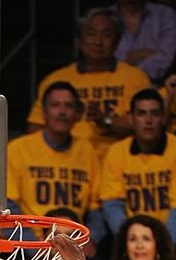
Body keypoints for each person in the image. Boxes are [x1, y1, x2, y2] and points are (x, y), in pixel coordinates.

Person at [26, 9, 150, 160]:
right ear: (79, 41)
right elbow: (35, 127)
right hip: (69, 161)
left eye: (106, 35)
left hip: (119, 161)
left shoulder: (135, 77)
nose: (98, 42)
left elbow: (145, 124)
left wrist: (105, 121)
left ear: (117, 42)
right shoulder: (55, 79)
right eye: (91, 34)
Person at [7, 82, 105, 247]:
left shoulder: (87, 150)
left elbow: (96, 209)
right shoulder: (17, 149)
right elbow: (9, 208)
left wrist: (90, 240)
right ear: (44, 113)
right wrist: (34, 249)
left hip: (76, 244)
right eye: (55, 105)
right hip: (29, 247)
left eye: (69, 106)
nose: (62, 112)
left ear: (77, 114)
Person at [100, 88, 176, 250]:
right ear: (131, 118)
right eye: (142, 114)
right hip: (130, 241)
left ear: (163, 118)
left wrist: (165, 247)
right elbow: (112, 205)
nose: (148, 120)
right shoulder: (116, 152)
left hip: (172, 241)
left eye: (155, 114)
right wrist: (131, 242)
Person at [110, 0, 176, 85]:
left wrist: (126, 67)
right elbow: (101, 63)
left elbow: (169, 59)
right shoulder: (105, 18)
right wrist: (145, 54)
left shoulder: (165, 16)